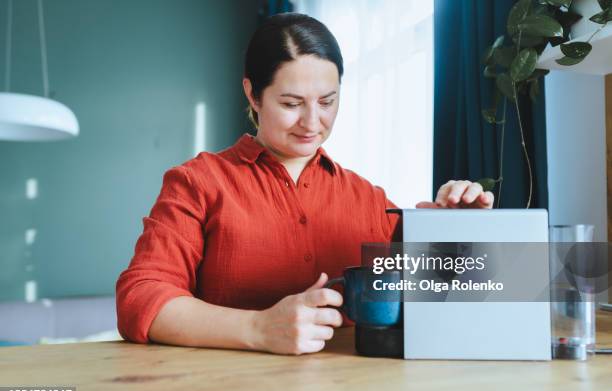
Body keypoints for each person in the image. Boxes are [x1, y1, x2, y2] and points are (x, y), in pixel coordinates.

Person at [115, 13, 494, 356]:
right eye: (292, 103)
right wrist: (257, 328)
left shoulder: (368, 198)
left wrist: (457, 231)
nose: (312, 123)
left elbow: (447, 295)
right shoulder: (197, 183)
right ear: (252, 94)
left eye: (327, 101)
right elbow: (140, 298)